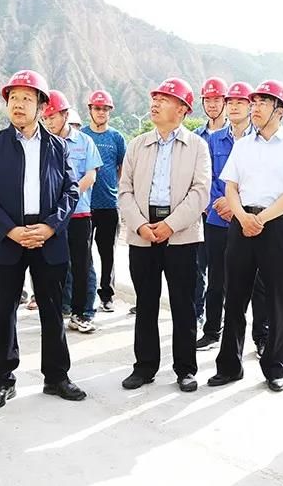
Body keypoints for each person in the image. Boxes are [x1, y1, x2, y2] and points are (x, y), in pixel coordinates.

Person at [0, 70, 86, 410]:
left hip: (48, 238)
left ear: (41, 106)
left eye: (26, 98)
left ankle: (56, 377)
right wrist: (10, 230)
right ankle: (2, 380)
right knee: (4, 312)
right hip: (7, 238)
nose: (18, 105)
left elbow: (71, 191)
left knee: (52, 311)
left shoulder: (58, 147)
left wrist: (51, 227)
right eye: (13, 98)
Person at [207, 80, 283, 393]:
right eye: (254, 102)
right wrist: (242, 217)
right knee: (234, 298)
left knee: (277, 301)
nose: (255, 108)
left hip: (275, 225)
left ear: (281, 109)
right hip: (241, 223)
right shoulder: (243, 145)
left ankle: (276, 367)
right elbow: (231, 187)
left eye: (263, 102)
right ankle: (229, 366)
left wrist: (261, 219)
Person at [118, 78, 211, 393]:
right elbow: (125, 191)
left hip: (181, 235)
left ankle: (185, 369)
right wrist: (140, 225)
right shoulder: (137, 145)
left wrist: (171, 224)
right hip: (142, 232)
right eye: (154, 98)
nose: (155, 104)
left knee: (184, 304)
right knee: (145, 303)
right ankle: (144, 367)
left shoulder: (197, 146)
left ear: (182, 109)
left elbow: (200, 192)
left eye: (164, 99)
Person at [196, 81, 269, 357]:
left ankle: (262, 336)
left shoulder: (261, 139)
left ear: (251, 107)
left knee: (258, 282)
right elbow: (207, 177)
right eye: (231, 102)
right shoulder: (213, 140)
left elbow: (261, 179)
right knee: (216, 279)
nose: (235, 106)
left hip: (251, 219)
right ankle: (212, 331)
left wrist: (235, 204)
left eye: (241, 102)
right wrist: (219, 205)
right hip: (218, 219)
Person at [42, 89, 103, 333]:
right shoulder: (43, 143)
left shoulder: (84, 142)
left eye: (52, 117)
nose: (48, 122)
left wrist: (69, 197)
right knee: (55, 264)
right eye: (45, 118)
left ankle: (83, 312)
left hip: (79, 214)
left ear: (65, 115)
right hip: (52, 217)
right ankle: (59, 310)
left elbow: (91, 175)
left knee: (82, 265)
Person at [82, 90, 127, 313]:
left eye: (105, 109)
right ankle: (84, 295)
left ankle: (107, 294)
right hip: (84, 205)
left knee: (107, 253)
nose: (101, 112)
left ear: (110, 112)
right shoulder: (81, 135)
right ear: (90, 110)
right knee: (83, 253)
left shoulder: (116, 138)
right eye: (97, 108)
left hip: (109, 204)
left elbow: (122, 167)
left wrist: (113, 187)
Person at [192, 77, 230, 326]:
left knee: (221, 271)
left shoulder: (236, 136)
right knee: (197, 268)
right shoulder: (196, 136)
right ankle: (196, 314)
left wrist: (220, 204)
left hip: (225, 213)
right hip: (198, 214)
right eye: (208, 100)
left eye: (217, 99)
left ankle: (218, 319)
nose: (212, 104)